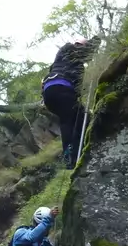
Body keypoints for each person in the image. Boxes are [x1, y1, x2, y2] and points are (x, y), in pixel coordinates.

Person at [42, 36, 101, 169]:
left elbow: (78, 86)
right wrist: (95, 42)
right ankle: (72, 155)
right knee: (73, 119)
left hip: (50, 92)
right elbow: (82, 52)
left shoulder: (70, 62)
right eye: (84, 46)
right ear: (79, 44)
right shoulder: (68, 48)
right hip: (61, 88)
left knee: (72, 118)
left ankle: (71, 154)